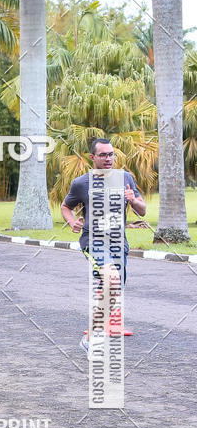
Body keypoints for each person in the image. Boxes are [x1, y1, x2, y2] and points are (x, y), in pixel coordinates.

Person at [61, 137, 147, 358]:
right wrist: (72, 222)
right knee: (111, 280)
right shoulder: (81, 183)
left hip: (119, 242)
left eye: (111, 154)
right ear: (93, 157)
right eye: (103, 155)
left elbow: (142, 210)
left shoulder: (125, 178)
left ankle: (89, 338)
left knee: (113, 290)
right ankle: (95, 341)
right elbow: (66, 206)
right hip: (93, 240)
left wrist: (133, 200)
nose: (108, 158)